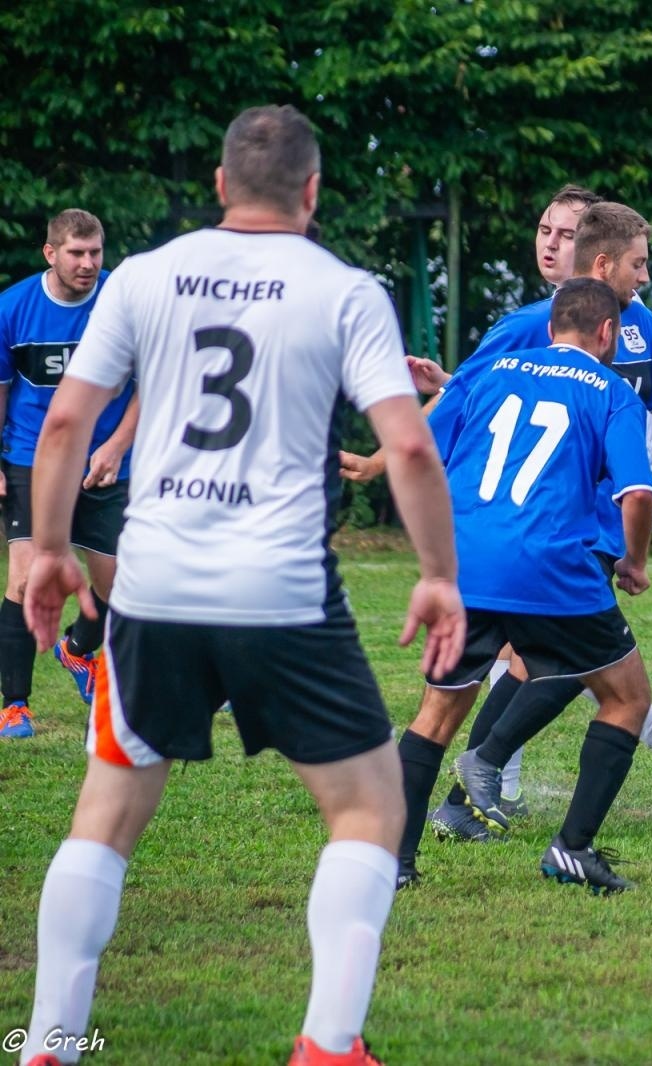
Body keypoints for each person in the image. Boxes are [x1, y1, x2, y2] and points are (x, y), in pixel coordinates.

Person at [16, 105, 465, 1066]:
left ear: (221, 185)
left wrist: (47, 545)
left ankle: (50, 1041)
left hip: (155, 585)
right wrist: (436, 574)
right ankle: (330, 1044)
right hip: (283, 592)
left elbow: (63, 427)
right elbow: (411, 444)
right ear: (312, 193)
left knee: (107, 815)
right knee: (367, 810)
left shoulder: (141, 277)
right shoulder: (345, 289)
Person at [394, 277, 652, 895]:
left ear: (549, 329)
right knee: (625, 698)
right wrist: (635, 560)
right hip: (550, 568)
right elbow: (639, 493)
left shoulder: (483, 374)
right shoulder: (614, 391)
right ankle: (572, 849)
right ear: (606, 332)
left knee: (436, 715)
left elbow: (417, 451)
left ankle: (395, 864)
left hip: (467, 564)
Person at [0, 210, 139, 738]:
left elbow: (149, 384)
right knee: (25, 574)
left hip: (104, 460)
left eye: (95, 252)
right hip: (32, 457)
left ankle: (78, 651)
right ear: (50, 253)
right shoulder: (12, 309)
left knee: (119, 586)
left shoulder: (122, 304)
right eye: (76, 253)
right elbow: (0, 389)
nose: (87, 263)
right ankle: (15, 705)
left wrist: (116, 446)